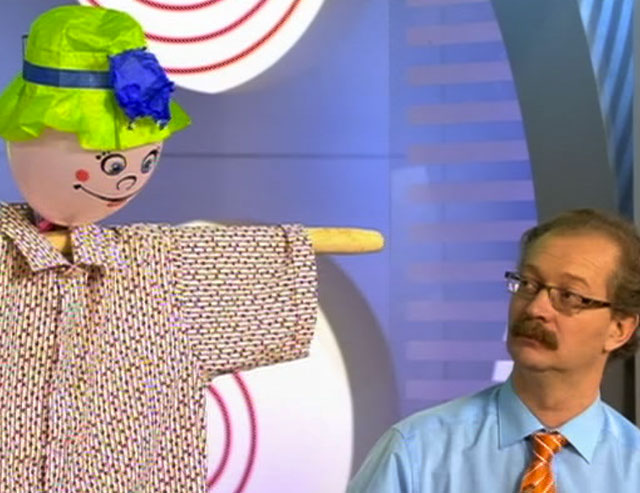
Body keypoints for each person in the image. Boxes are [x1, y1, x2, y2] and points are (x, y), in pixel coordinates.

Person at [0, 6, 382, 491]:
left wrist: (294, 248)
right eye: (112, 163)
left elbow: (271, 272)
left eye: (145, 161)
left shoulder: (166, 274)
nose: (128, 180)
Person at [349, 209, 640, 492]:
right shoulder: (416, 452)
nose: (536, 308)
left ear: (619, 329)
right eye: (528, 284)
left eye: (569, 296)